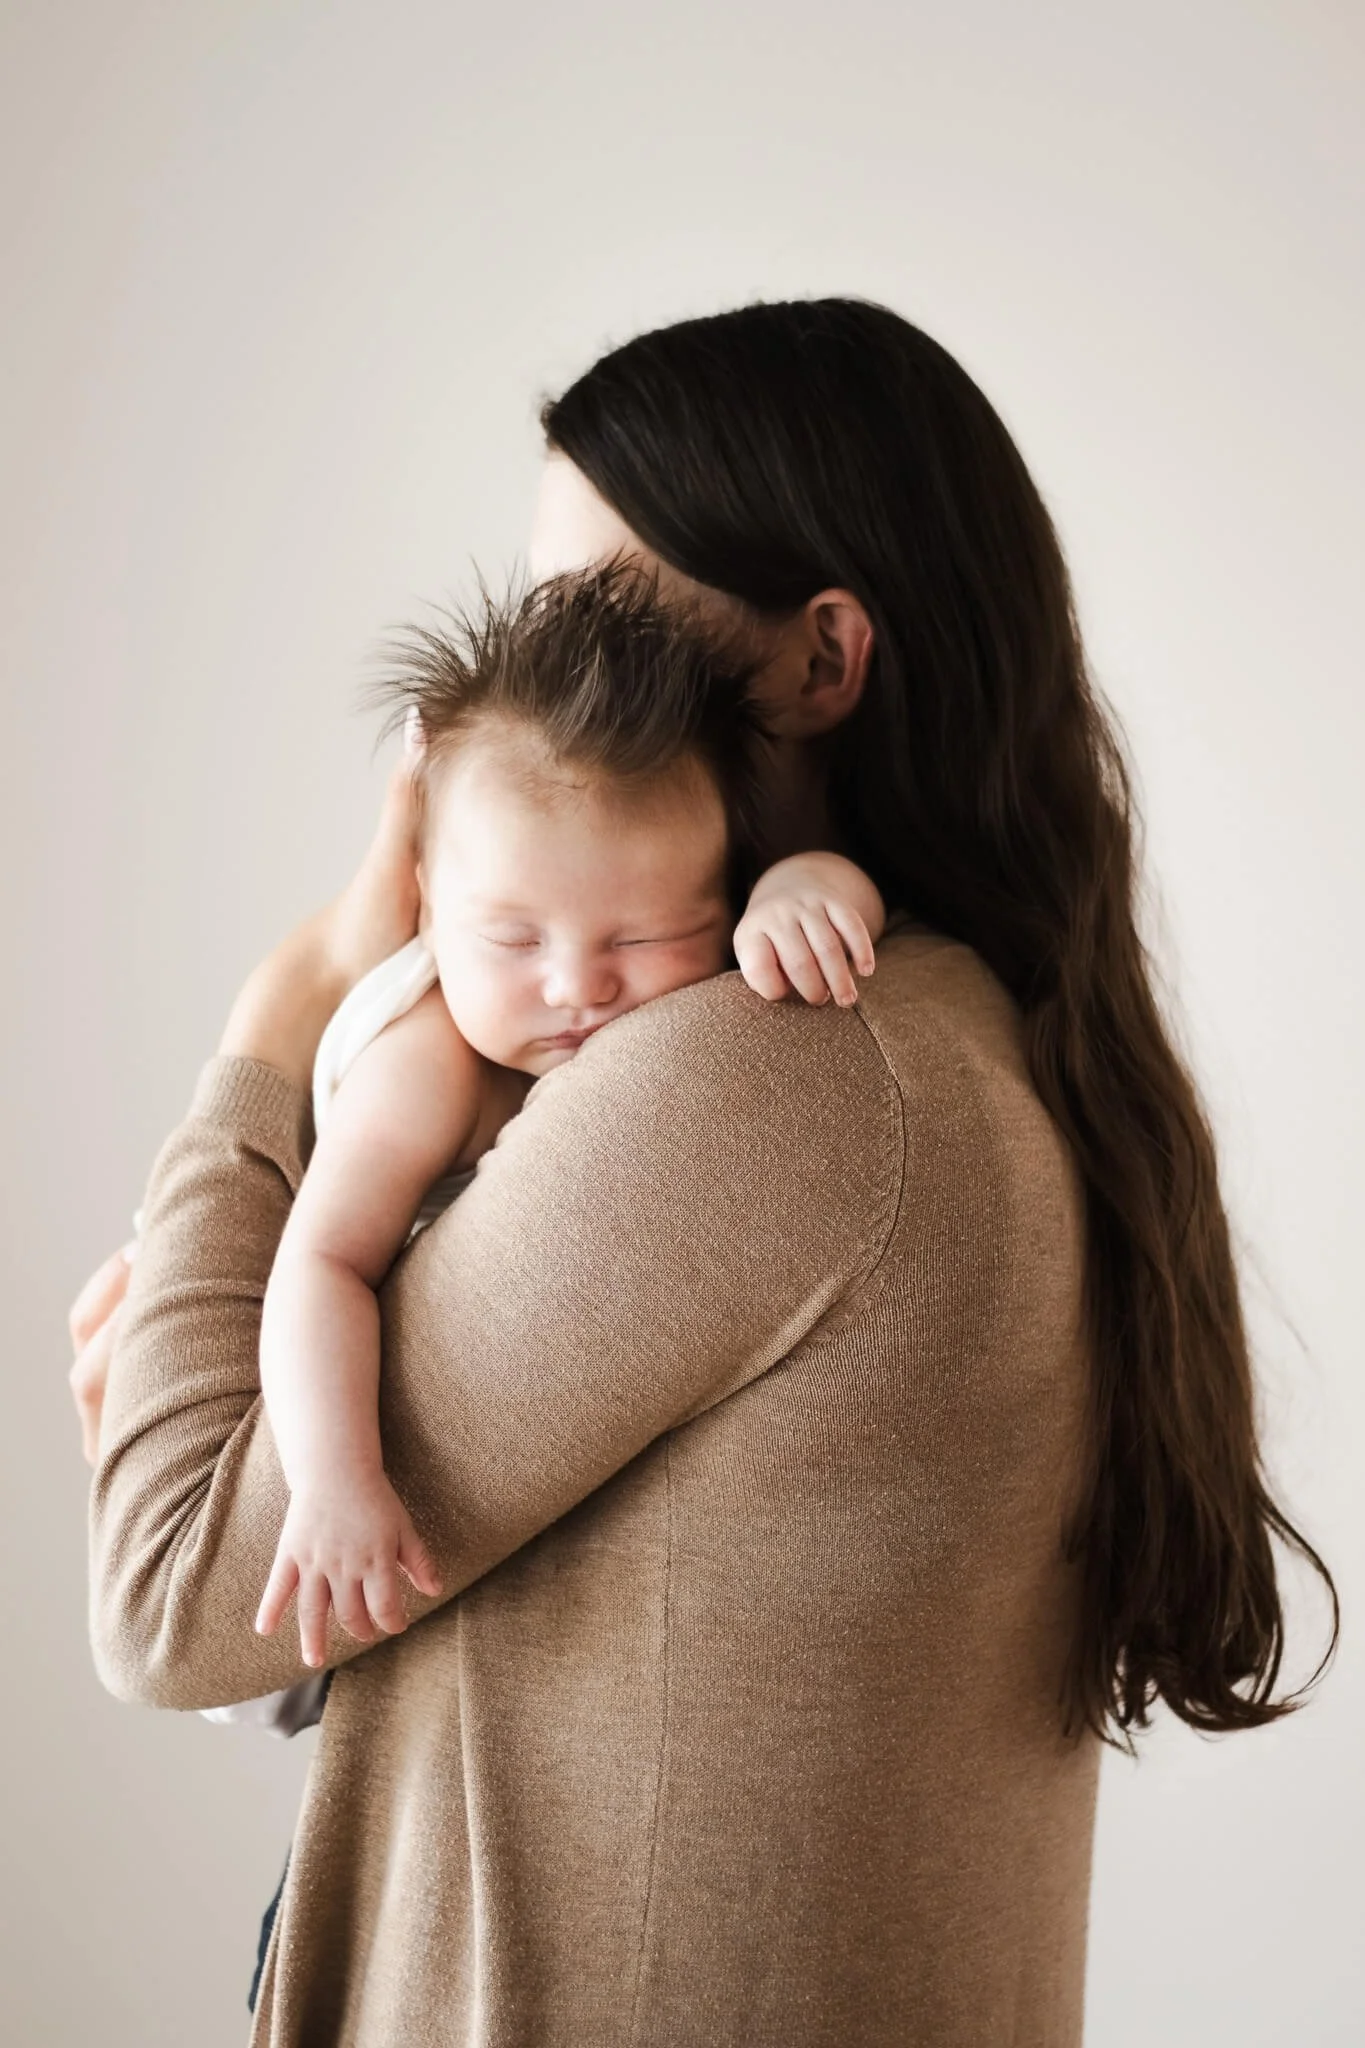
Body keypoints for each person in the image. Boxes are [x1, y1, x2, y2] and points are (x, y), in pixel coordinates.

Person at [69, 297, 1337, 2047]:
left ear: (819, 660)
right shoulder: (962, 1034)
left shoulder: (778, 1071)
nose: (545, 669)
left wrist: (280, 1015)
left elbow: (167, 1589)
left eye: (589, 600)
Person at [254, 565, 885, 1667]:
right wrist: (336, 1479)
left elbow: (809, 892)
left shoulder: (709, 949)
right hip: (310, 1453)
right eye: (513, 940)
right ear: (427, 905)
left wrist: (812, 887)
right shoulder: (433, 1059)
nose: (577, 986)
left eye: (640, 940)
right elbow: (320, 1264)